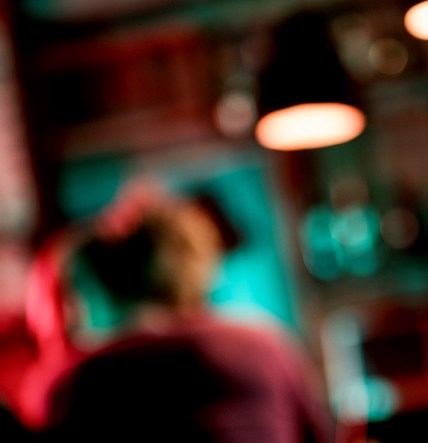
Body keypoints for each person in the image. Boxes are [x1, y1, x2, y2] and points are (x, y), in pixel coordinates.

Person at [38, 179, 333, 443]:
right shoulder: (265, 343)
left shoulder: (84, 381)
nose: (72, 316)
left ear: (100, 290)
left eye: (74, 296)